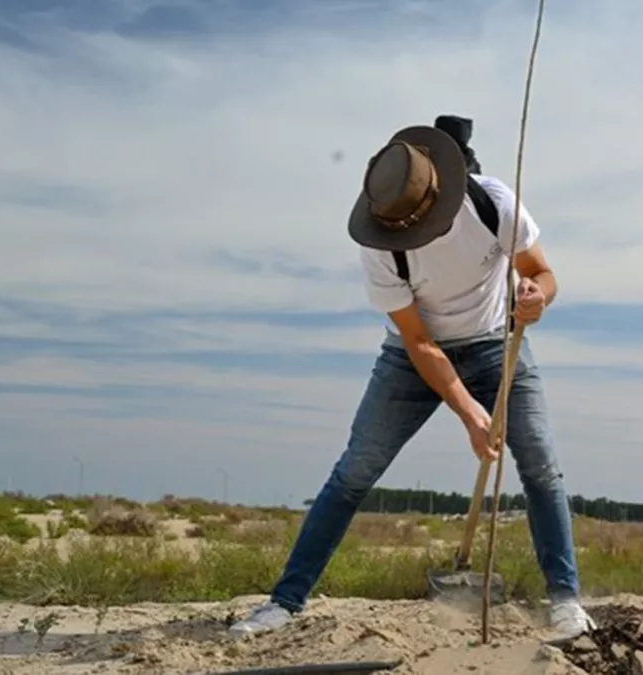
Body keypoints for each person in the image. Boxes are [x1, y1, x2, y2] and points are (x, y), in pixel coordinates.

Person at [229, 117, 596, 639]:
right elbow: (420, 343)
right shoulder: (379, 245)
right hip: (410, 358)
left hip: (496, 345)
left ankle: (565, 600)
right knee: (355, 471)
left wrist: (537, 297)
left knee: (540, 465)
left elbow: (542, 272)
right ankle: (284, 603)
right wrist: (469, 411)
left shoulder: (494, 204)